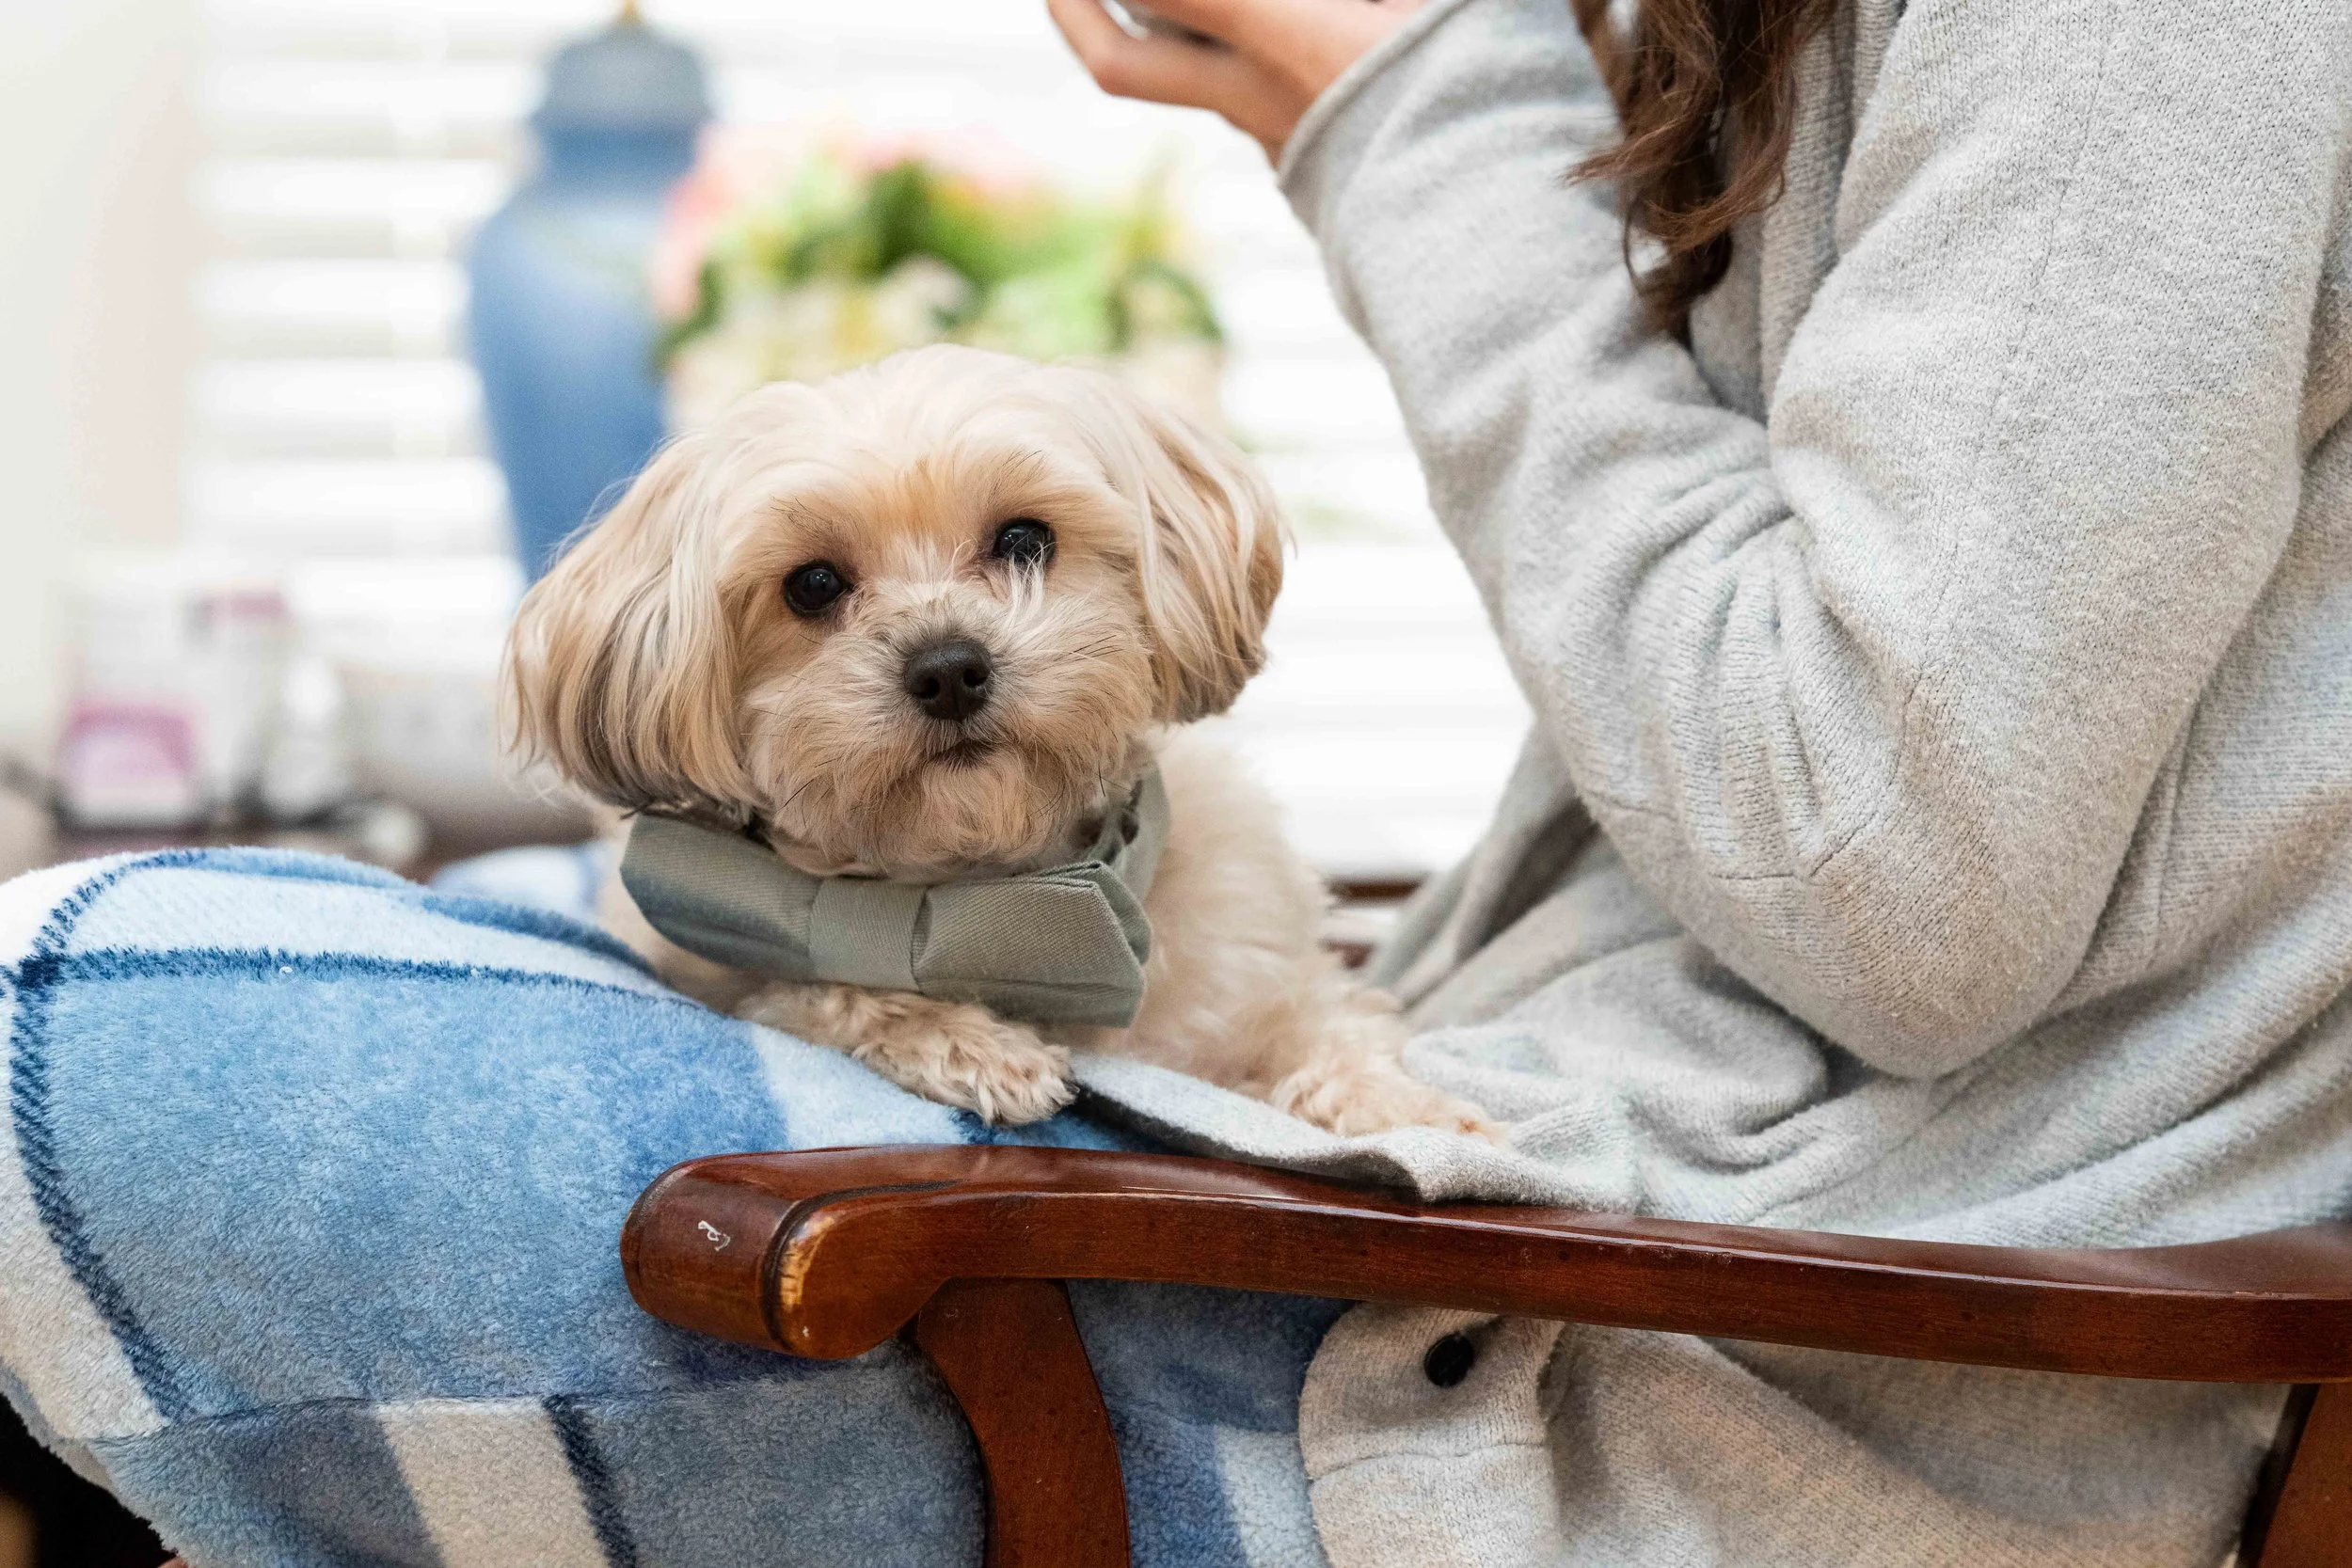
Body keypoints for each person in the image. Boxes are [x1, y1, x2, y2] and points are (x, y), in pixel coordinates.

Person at [2, 1, 2345, 1564]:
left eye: (1019, 545)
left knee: (61, 1005)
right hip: (1480, 1215)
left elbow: (1886, 866)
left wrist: (1410, 92)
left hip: (1619, 1357)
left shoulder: (2130, 38)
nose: (936, 631)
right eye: (822, 591)